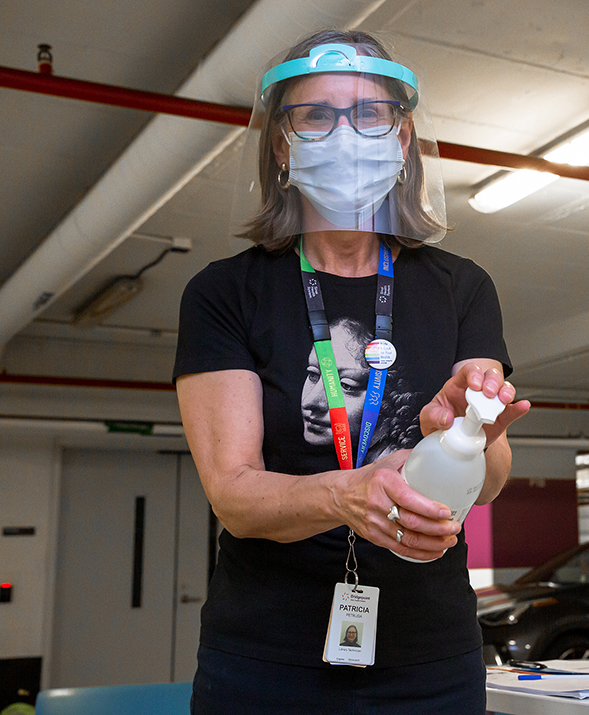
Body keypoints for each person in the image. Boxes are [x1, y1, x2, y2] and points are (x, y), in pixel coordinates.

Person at [173, 28, 529, 715]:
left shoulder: (461, 287)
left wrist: (462, 439)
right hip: (267, 660)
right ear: (281, 142)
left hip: (431, 658)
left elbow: (488, 485)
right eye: (316, 114)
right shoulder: (225, 294)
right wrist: (344, 493)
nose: (345, 133)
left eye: (368, 113)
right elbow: (234, 494)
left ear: (402, 138)